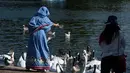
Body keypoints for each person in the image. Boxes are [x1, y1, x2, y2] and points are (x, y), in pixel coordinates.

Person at [26, 6, 59, 71]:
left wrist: (37, 27)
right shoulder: (45, 18)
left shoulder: (34, 17)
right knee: (43, 48)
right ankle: (42, 65)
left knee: (33, 48)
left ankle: (31, 64)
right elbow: (49, 25)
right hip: (41, 35)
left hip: (34, 35)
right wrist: (55, 25)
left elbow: (30, 25)